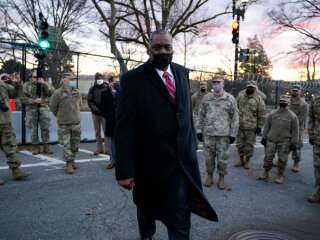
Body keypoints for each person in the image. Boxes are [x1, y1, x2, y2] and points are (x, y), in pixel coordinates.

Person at [115, 29, 217, 240]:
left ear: (173, 49)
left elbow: (184, 112)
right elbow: (124, 127)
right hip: (148, 164)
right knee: (146, 209)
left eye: (167, 47)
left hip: (179, 164)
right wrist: (124, 170)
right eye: (157, 47)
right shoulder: (132, 79)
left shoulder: (181, 72)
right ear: (148, 50)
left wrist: (191, 146)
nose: (163, 51)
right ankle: (147, 235)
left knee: (180, 217)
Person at [196, 77, 239, 189]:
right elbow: (200, 115)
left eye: (218, 83)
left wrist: (233, 134)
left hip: (223, 135)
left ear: (223, 84)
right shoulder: (206, 98)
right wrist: (199, 130)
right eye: (214, 83)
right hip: (209, 134)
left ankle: (221, 179)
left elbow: (235, 117)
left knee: (222, 158)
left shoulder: (230, 99)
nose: (216, 85)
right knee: (209, 157)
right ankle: (210, 176)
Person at [0, 72, 32, 185]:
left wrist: (18, 82)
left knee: (11, 146)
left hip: (6, 122)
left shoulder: (4, 86)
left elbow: (15, 94)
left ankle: (16, 171)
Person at [259, 95, 299, 184]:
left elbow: (295, 130)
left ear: (288, 103)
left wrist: (294, 142)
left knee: (282, 159)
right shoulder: (272, 114)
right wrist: (264, 137)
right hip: (271, 139)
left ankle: (280, 175)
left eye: (285, 101)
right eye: (281, 101)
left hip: (285, 141)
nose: (282, 103)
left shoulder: (292, 116)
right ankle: (266, 172)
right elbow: (266, 126)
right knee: (268, 157)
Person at [49, 72, 82, 174]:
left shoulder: (77, 92)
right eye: (71, 80)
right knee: (66, 144)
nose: (73, 82)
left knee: (75, 144)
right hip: (64, 124)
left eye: (74, 80)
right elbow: (53, 107)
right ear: (64, 81)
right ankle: (68, 163)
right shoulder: (57, 93)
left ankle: (72, 159)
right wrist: (61, 116)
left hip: (76, 122)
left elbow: (79, 105)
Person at [20, 68, 55, 155]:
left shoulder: (44, 83)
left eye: (36, 75)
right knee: (33, 129)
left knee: (45, 128)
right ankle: (36, 147)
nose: (35, 76)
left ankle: (46, 146)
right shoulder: (26, 85)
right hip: (31, 109)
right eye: (33, 75)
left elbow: (52, 92)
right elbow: (23, 99)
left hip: (43, 108)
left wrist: (44, 83)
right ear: (30, 75)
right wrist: (34, 101)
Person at [235, 81, 266, 169]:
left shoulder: (258, 99)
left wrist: (259, 126)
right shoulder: (240, 97)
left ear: (255, 88)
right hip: (240, 125)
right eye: (249, 87)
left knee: (249, 145)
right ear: (246, 87)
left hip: (251, 126)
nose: (250, 89)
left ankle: (247, 161)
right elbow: (235, 109)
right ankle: (241, 160)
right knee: (240, 144)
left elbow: (262, 114)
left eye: (252, 87)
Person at [100, 76, 119, 170]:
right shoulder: (104, 94)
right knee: (111, 143)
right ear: (110, 83)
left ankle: (120, 162)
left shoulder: (122, 92)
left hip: (120, 122)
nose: (117, 83)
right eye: (115, 82)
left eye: (118, 82)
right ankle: (112, 161)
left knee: (120, 143)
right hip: (110, 122)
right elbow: (102, 108)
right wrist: (108, 117)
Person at [288, 85, 308, 172]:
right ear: (291, 91)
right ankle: (281, 160)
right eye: (293, 90)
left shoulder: (303, 104)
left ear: (300, 92)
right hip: (285, 127)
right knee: (283, 144)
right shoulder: (287, 101)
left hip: (297, 128)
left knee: (296, 145)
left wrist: (292, 124)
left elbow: (302, 117)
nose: (294, 92)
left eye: (296, 91)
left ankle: (296, 163)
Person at [87, 73, 109, 155]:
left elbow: (109, 100)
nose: (100, 80)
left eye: (101, 78)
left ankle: (107, 148)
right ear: (96, 79)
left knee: (106, 131)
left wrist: (105, 110)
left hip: (105, 114)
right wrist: (96, 110)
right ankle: (100, 148)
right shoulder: (92, 89)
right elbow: (90, 101)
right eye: (98, 78)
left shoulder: (107, 88)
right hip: (95, 114)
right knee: (97, 132)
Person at [308, 92, 320, 202]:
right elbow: (311, 119)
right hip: (318, 139)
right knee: (318, 165)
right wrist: (311, 135)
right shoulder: (316, 98)